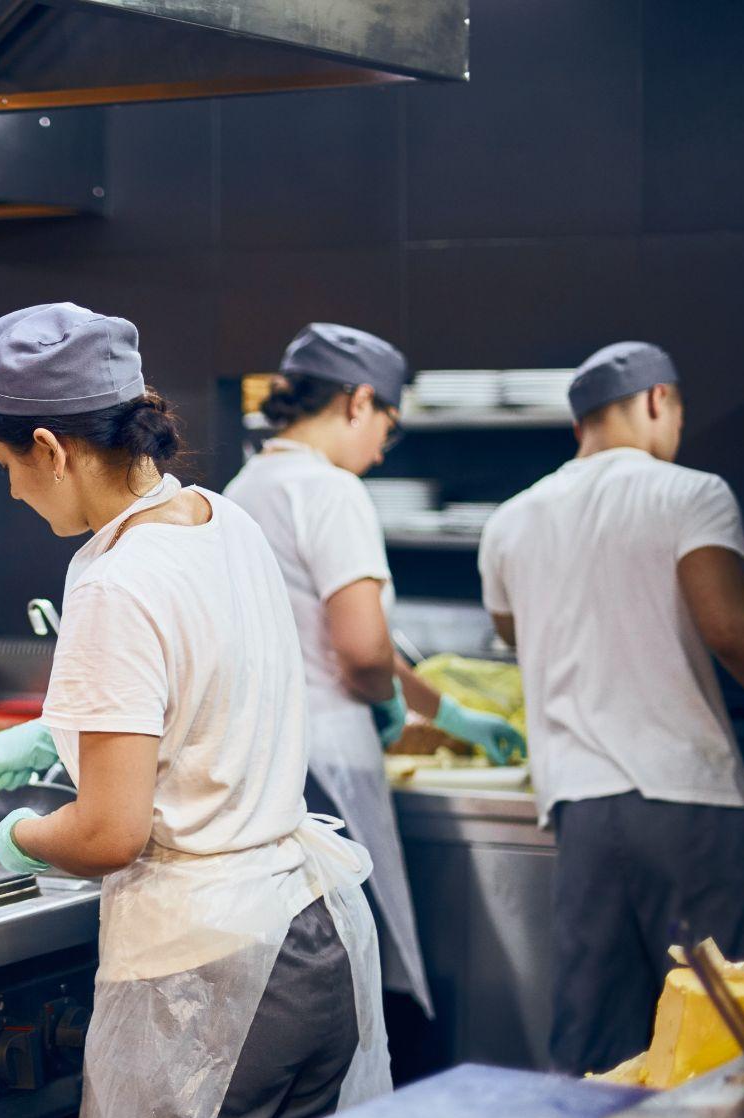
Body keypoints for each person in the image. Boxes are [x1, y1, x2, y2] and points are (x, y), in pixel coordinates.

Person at [0, 303, 390, 1118]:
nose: (8, 487)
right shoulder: (215, 517)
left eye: (5, 463)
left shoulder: (110, 578)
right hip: (312, 935)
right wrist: (54, 729)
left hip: (210, 978)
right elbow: (201, 692)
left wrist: (19, 834)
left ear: (50, 446)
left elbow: (107, 830)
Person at [478, 340, 744, 1076]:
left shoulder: (511, 520)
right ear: (658, 400)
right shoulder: (688, 492)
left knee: (597, 1050)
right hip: (687, 803)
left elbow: (515, 632)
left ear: (581, 422)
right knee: (729, 1031)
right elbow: (729, 630)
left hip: (581, 808)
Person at [224, 323, 525, 1066]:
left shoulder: (239, 489)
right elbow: (360, 651)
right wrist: (390, 700)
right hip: (329, 758)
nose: (385, 447)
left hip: (256, 758)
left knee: (292, 973)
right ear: (360, 401)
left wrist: (437, 707)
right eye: (388, 422)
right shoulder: (332, 491)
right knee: (363, 968)